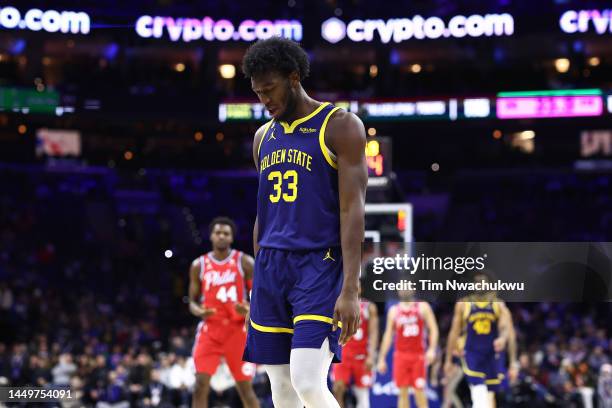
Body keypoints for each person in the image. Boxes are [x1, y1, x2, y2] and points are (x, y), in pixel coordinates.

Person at [241, 37, 367, 408]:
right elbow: (264, 213)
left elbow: (353, 211)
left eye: (269, 89)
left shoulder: (340, 126)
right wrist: (257, 278)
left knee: (308, 383)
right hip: (270, 267)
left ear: (294, 77)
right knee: (280, 388)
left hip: (319, 265)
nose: (264, 100)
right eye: (257, 93)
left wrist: (351, 288)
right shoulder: (262, 137)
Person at [188, 217, 259, 408]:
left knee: (245, 388)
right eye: (217, 232)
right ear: (211, 236)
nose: (221, 236)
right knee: (200, 385)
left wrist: (249, 309)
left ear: (231, 238)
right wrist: (199, 311)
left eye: (225, 233)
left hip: (237, 331)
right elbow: (192, 302)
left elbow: (259, 299)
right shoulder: (198, 265)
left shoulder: (244, 262)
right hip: (210, 330)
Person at [444, 273, 513, 408]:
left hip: (492, 354)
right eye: (476, 282)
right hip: (470, 353)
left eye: (483, 282)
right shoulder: (464, 304)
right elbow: (454, 332)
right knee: (477, 392)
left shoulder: (498, 305)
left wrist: (503, 338)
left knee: (489, 395)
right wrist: (448, 359)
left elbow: (507, 329)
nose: (479, 285)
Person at [377, 291, 439, 408]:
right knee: (402, 393)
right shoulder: (394, 311)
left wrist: (432, 349)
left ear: (413, 289)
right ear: (398, 290)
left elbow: (434, 329)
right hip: (401, 356)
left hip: (418, 356)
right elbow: (388, 336)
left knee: (419, 392)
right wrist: (381, 358)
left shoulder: (422, 307)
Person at [332, 294, 379, 408]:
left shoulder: (369, 306)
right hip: (344, 353)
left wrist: (371, 356)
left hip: (361, 355)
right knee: (338, 388)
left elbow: (373, 333)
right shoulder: (339, 303)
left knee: (361, 393)